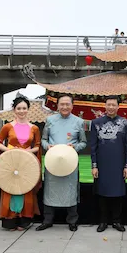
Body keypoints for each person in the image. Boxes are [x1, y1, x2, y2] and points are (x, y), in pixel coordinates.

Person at [36, 95, 86, 232]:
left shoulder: (79, 122)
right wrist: (48, 147)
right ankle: (47, 220)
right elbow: (43, 140)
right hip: (53, 162)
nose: (64, 107)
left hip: (70, 162)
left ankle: (72, 220)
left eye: (67, 104)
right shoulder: (50, 120)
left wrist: (74, 147)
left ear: (72, 105)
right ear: (57, 106)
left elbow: (83, 142)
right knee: (50, 189)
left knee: (71, 190)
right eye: (62, 104)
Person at [0, 96, 42, 231]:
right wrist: (10, 150)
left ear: (28, 110)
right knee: (10, 187)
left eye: (24, 108)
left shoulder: (34, 128)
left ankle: (24, 220)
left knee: (26, 187)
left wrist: (28, 151)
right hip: (10, 162)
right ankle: (10, 220)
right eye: (19, 108)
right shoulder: (7, 126)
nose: (21, 111)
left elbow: (38, 146)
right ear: (14, 110)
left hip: (26, 162)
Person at [91, 95, 127, 233]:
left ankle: (117, 221)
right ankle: (103, 221)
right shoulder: (96, 123)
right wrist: (94, 165)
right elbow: (93, 147)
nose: (111, 107)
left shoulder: (125, 123)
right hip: (102, 164)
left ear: (118, 107)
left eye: (114, 105)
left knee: (118, 193)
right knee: (102, 193)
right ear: (105, 106)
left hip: (118, 164)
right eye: (109, 105)